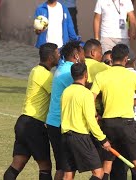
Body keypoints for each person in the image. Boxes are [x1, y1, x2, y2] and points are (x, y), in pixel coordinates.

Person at [91, 44, 136, 180]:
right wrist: (127, 101)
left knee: (107, 163)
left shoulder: (101, 75)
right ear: (126, 58)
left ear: (112, 57)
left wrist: (95, 114)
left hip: (108, 123)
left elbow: (90, 98)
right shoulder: (132, 76)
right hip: (127, 124)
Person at [3, 43, 59, 180]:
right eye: (58, 53)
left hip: (24, 122)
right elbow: (56, 97)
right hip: (34, 124)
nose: (59, 56)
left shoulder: (35, 70)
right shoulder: (45, 75)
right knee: (45, 166)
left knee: (17, 164)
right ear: (51, 57)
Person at [61, 63, 111, 180]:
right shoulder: (86, 94)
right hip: (80, 137)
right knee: (98, 172)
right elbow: (91, 120)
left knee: (68, 175)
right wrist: (103, 139)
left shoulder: (66, 91)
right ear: (86, 75)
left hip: (65, 137)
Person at [45, 41, 84, 180]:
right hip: (59, 124)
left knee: (64, 166)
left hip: (55, 122)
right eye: (82, 51)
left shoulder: (63, 68)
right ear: (76, 55)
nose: (83, 54)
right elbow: (80, 93)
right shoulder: (70, 72)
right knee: (65, 167)